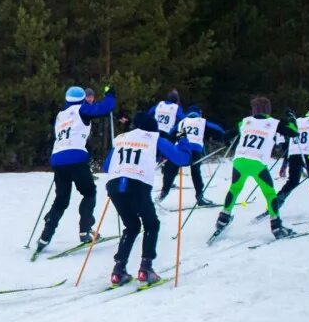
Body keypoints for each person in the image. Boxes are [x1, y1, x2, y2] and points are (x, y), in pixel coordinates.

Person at [103, 112, 194, 286]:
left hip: (114, 186)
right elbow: (183, 159)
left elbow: (107, 166)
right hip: (137, 185)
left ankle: (118, 270)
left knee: (132, 226)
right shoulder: (154, 139)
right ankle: (146, 268)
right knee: (152, 224)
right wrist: (183, 140)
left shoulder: (121, 138)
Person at [35, 84, 117, 254]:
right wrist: (110, 94)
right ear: (81, 100)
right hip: (76, 158)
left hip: (58, 159)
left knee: (61, 200)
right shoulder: (82, 110)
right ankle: (85, 230)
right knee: (89, 192)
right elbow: (105, 108)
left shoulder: (60, 115)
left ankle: (45, 236)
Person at [212, 96, 299, 241]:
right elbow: (294, 132)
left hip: (240, 161)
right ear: (268, 110)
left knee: (234, 189)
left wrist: (229, 140)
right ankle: (276, 225)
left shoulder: (245, 121)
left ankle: (223, 218)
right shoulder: (274, 123)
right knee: (270, 194)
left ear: (254, 110)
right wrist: (291, 118)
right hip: (257, 162)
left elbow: (226, 135)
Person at [157, 105, 226, 206]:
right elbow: (217, 129)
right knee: (196, 172)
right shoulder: (201, 121)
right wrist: (224, 136)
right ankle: (200, 197)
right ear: (199, 113)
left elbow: (171, 134)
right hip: (194, 151)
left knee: (170, 170)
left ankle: (163, 193)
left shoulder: (182, 122)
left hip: (180, 150)